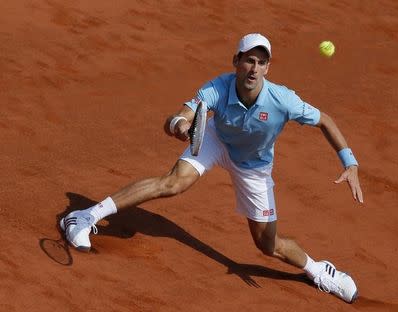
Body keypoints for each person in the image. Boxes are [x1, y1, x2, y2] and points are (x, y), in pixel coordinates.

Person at [60, 33, 363, 303]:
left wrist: (349, 162)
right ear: (236, 61)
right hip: (216, 139)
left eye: (261, 63)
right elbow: (180, 117)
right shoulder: (217, 88)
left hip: (254, 166)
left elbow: (324, 120)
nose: (254, 68)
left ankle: (317, 270)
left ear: (268, 68)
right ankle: (83, 216)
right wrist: (179, 125)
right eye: (249, 61)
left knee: (267, 245)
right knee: (173, 183)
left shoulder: (283, 100)